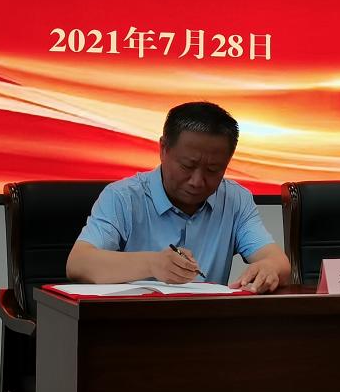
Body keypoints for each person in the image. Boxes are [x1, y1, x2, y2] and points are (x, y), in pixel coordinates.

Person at [67, 101, 291, 293]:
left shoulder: (236, 200)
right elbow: (78, 263)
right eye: (187, 166)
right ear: (163, 149)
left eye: (213, 170)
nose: (197, 181)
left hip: (209, 323)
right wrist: (152, 264)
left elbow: (278, 261)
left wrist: (268, 269)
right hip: (134, 323)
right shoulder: (123, 197)